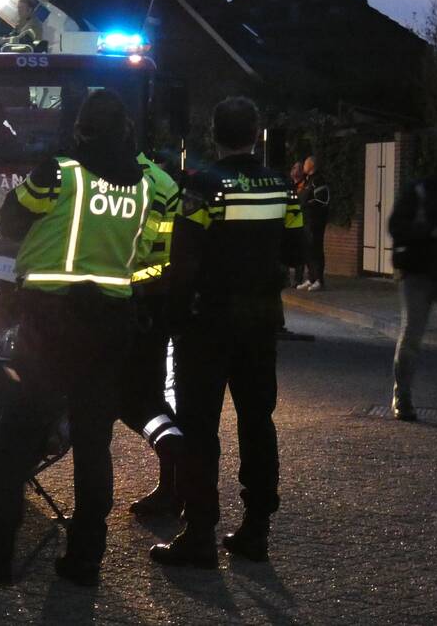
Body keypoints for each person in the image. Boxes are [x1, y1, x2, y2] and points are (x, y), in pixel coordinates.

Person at [0, 90, 162, 587]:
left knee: (16, 440)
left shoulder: (61, 172)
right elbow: (146, 248)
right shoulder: (144, 184)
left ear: (81, 128)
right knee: (93, 444)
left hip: (52, 322)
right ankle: (85, 559)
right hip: (111, 323)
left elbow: (8, 221)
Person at [150, 97, 303, 568]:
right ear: (256, 133)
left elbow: (183, 260)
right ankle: (257, 529)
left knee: (200, 429)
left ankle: (199, 534)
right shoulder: (283, 187)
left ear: (213, 133)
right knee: (258, 422)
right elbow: (297, 252)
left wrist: (172, 314)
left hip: (208, 325)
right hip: (259, 323)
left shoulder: (204, 187)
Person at [122, 151, 185, 517]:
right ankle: (172, 478)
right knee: (146, 394)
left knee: (122, 399)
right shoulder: (164, 182)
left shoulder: (112, 178)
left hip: (121, 298)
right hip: (155, 298)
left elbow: (132, 249)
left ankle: (173, 460)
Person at [389, 170, 437, 422]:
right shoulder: (419, 189)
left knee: (411, 335)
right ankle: (403, 396)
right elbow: (395, 226)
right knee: (411, 334)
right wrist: (428, 230)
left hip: (426, 270)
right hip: (417, 273)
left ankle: (403, 396)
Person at [297, 155, 329, 291]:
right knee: (307, 250)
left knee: (316, 249)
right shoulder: (307, 180)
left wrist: (306, 205)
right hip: (305, 220)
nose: (303, 166)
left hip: (315, 221)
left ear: (311, 165)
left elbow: (322, 200)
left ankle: (319, 280)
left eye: (305, 163)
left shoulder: (318, 180)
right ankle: (311, 278)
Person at [289, 162, 307, 288]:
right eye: (294, 167)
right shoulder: (290, 185)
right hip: (289, 223)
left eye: (299, 168)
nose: (296, 170)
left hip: (300, 223)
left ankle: (298, 278)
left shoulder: (304, 186)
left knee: (300, 251)